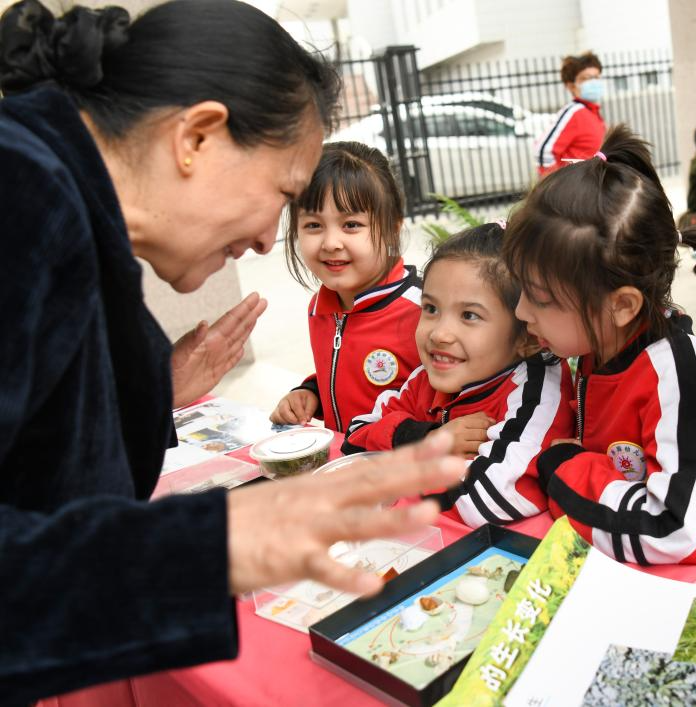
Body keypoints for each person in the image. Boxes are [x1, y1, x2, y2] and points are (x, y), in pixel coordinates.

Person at [0, 1, 464, 703]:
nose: (262, 240)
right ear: (198, 137)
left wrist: (153, 386)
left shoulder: (50, 189)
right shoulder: (22, 196)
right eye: (284, 194)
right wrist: (209, 546)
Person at [505, 124, 696, 566]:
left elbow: (680, 530)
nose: (522, 311)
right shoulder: (591, 348)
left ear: (620, 305)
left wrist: (562, 467)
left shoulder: (677, 367)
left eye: (540, 299)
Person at [343, 223, 574, 528]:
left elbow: (486, 498)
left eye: (469, 315)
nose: (439, 334)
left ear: (527, 335)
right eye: (431, 308)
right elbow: (355, 440)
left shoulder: (537, 390)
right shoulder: (428, 377)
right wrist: (427, 439)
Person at [270, 142, 422, 433]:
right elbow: (342, 373)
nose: (330, 243)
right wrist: (310, 392)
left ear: (392, 227)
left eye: (351, 225)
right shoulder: (319, 308)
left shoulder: (425, 311)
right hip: (346, 470)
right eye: (313, 225)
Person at [535, 51, 607, 177]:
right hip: (576, 193)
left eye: (596, 77)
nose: (594, 82)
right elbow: (543, 152)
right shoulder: (573, 112)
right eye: (586, 78)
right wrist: (559, 187)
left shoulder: (593, 113)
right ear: (571, 86)